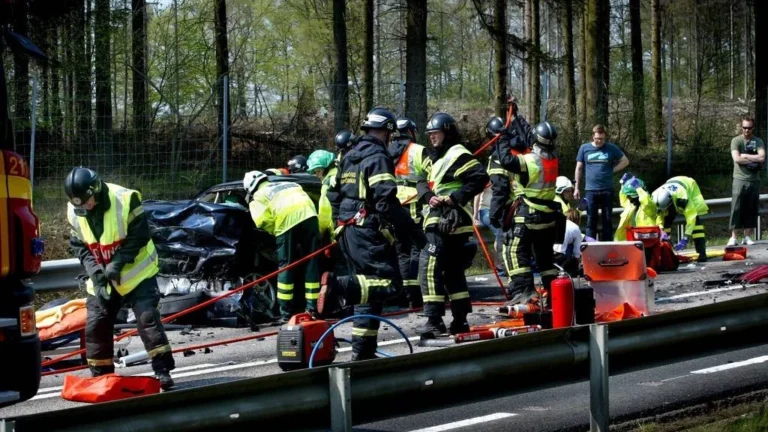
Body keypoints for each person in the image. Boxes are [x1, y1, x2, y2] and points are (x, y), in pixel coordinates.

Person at [317, 107, 425, 360]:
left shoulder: (348, 155)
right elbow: (386, 201)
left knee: (368, 290)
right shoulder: (377, 157)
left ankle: (362, 352)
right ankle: (338, 286)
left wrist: (339, 223)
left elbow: (332, 193)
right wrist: (412, 231)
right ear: (388, 131)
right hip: (366, 231)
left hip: (347, 230)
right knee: (390, 284)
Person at [64, 167, 175, 389]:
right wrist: (96, 275)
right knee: (96, 325)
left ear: (95, 190)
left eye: (87, 201)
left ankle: (162, 371)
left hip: (137, 274)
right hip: (103, 277)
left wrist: (117, 263)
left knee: (147, 319)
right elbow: (79, 247)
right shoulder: (75, 210)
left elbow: (141, 234)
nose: (85, 207)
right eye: (80, 204)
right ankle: (102, 377)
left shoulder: (126, 200)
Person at [419, 112, 489, 337]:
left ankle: (433, 320)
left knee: (428, 267)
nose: (432, 138)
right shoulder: (434, 157)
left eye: (435, 134)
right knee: (453, 272)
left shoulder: (457, 153)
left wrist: (454, 198)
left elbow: (480, 176)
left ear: (447, 132)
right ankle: (460, 320)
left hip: (451, 222)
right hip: (441, 220)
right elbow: (421, 180)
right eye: (429, 135)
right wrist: (428, 195)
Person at [492, 117, 563, 307]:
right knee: (545, 259)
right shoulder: (554, 158)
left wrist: (502, 138)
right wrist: (516, 118)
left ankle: (524, 293)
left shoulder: (529, 160)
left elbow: (506, 160)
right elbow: (531, 136)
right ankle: (555, 296)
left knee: (514, 252)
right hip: (548, 217)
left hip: (529, 215)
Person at [243, 170, 321, 321]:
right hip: (310, 217)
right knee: (312, 263)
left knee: (286, 267)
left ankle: (285, 313)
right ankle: (312, 309)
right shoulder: (290, 184)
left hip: (286, 223)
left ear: (250, 188)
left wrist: (276, 234)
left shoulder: (258, 197)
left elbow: (262, 222)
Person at [388, 116, 431, 308]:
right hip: (415, 206)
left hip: (395, 206)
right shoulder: (418, 150)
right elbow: (433, 174)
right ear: (411, 131)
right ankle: (417, 295)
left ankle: (406, 295)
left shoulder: (387, 150)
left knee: (401, 252)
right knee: (417, 250)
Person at [574, 125, 630, 240]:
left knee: (607, 220)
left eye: (602, 139)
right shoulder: (584, 148)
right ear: (592, 137)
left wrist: (612, 170)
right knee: (591, 220)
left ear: (605, 138)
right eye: (597, 138)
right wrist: (576, 188)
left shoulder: (611, 148)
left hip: (607, 189)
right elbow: (578, 168)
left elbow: (625, 161)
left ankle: (607, 248)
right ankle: (590, 247)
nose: (599, 141)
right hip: (590, 190)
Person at [652, 176, 709, 262]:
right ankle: (666, 251)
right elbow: (659, 215)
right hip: (671, 184)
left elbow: (691, 217)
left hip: (690, 186)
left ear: (671, 201)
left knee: (696, 224)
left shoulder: (683, 198)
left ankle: (702, 252)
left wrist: (686, 237)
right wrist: (661, 229)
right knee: (667, 220)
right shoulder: (655, 196)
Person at [728, 116, 765, 246]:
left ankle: (747, 236)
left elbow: (762, 157)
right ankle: (734, 237)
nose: (746, 130)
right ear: (741, 127)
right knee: (737, 207)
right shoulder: (736, 141)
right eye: (744, 127)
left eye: (749, 128)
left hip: (754, 180)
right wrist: (752, 160)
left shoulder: (758, 141)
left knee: (751, 208)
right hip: (740, 179)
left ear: (752, 128)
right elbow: (737, 159)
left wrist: (745, 156)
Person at [306, 149, 338, 244]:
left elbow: (325, 212)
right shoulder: (340, 174)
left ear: (327, 168)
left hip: (336, 231)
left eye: (319, 171)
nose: (317, 175)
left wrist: (321, 231)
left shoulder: (328, 183)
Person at [614, 175, 657, 242]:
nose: (628, 198)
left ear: (636, 196)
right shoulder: (631, 207)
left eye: (629, 196)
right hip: (633, 240)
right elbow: (623, 198)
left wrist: (638, 188)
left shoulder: (648, 208)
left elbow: (646, 201)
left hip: (647, 240)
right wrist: (622, 185)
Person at [553, 209, 583, 276]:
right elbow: (577, 252)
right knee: (570, 246)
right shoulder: (576, 228)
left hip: (548, 253)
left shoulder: (558, 223)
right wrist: (578, 265)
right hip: (559, 257)